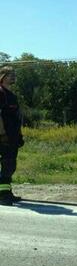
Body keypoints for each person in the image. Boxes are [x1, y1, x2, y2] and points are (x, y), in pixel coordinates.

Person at [0, 66, 24, 206]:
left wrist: (19, 135)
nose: (13, 77)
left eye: (14, 74)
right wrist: (2, 133)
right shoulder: (0, 93)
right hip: (3, 136)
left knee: (10, 166)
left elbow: (16, 118)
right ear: (2, 77)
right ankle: (3, 196)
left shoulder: (12, 96)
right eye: (10, 74)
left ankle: (7, 193)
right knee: (7, 165)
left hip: (12, 136)